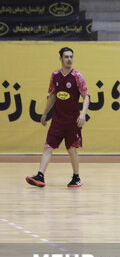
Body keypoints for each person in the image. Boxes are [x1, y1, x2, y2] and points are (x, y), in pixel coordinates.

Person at [26, 47, 89, 188]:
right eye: (66, 57)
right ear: (60, 58)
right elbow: (52, 96)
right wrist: (44, 113)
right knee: (48, 146)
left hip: (72, 120)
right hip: (57, 120)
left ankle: (76, 177)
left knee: (71, 149)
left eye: (71, 56)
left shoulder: (77, 76)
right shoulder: (55, 75)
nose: (69, 59)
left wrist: (83, 113)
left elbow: (86, 96)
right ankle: (40, 176)